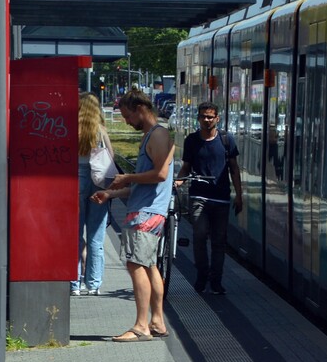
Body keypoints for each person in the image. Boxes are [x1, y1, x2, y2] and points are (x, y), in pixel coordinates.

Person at [91, 89, 175, 342]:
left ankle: (141, 326)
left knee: (135, 264)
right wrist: (112, 194)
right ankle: (157, 321)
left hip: (146, 213)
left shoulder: (158, 135)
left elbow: (160, 175)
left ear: (140, 109)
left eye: (128, 116)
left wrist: (127, 177)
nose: (127, 121)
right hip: (147, 209)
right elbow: (146, 183)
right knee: (148, 265)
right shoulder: (154, 135)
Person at [175, 102, 242, 294]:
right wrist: (178, 182)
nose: (206, 120)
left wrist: (239, 195)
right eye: (203, 116)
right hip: (198, 196)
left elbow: (234, 169)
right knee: (199, 235)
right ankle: (202, 274)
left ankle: (216, 280)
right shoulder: (192, 141)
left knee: (219, 242)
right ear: (198, 118)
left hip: (221, 198)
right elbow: (186, 167)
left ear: (217, 119)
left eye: (210, 117)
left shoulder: (226, 140)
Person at [74, 92, 111, 296]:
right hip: (99, 180)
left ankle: (74, 284)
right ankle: (94, 284)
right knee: (96, 236)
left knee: (76, 235)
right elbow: (111, 159)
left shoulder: (73, 130)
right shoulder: (100, 131)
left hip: (77, 181)